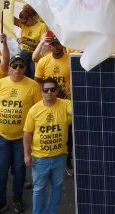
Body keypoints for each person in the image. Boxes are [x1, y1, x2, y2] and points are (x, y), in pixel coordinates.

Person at [0, 54, 42, 214]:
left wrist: (34, 137)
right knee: (1, 170)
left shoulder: (33, 86)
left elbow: (38, 112)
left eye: (21, 66)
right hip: (1, 135)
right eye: (15, 66)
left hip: (22, 138)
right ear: (9, 67)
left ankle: (17, 199)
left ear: (26, 68)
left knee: (19, 171)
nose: (18, 69)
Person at [23, 77, 72, 214]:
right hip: (40, 159)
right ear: (42, 92)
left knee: (57, 189)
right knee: (39, 190)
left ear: (57, 90)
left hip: (60, 157)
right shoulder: (34, 110)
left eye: (52, 89)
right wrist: (26, 155)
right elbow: (27, 134)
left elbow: (77, 110)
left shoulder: (65, 104)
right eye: (46, 90)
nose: (49, 92)